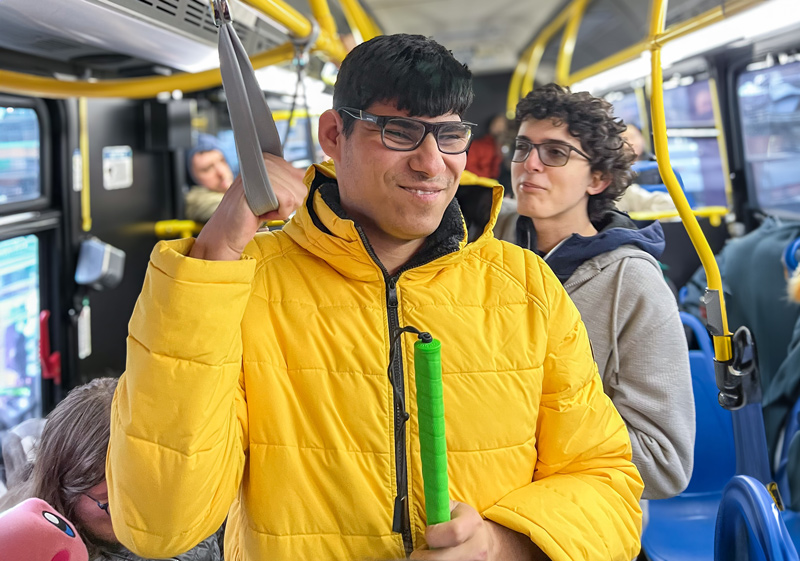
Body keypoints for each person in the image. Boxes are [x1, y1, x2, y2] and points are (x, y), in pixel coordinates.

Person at [107, 35, 644, 561]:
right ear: (334, 134)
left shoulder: (526, 287)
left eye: (450, 135)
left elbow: (606, 478)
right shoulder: (237, 284)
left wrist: (504, 545)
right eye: (400, 131)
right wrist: (215, 250)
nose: (432, 163)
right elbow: (160, 524)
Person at [495, 84, 695, 503]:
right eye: (522, 147)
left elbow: (665, 463)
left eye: (555, 153)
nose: (529, 164)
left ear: (598, 179)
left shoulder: (634, 285)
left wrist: (516, 422)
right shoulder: (487, 244)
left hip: (580, 514)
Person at [0, 378, 222, 561]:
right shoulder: (31, 546)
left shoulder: (207, 501)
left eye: (151, 491)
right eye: (111, 503)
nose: (139, 516)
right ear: (62, 492)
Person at [185, 133, 235, 222]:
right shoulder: (197, 201)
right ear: (192, 178)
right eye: (207, 168)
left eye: (222, 160)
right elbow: (237, 212)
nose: (221, 172)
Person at [464, 112, 508, 180]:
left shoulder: (505, 146)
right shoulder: (478, 145)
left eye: (502, 125)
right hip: (480, 182)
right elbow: (470, 167)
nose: (500, 129)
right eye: (497, 125)